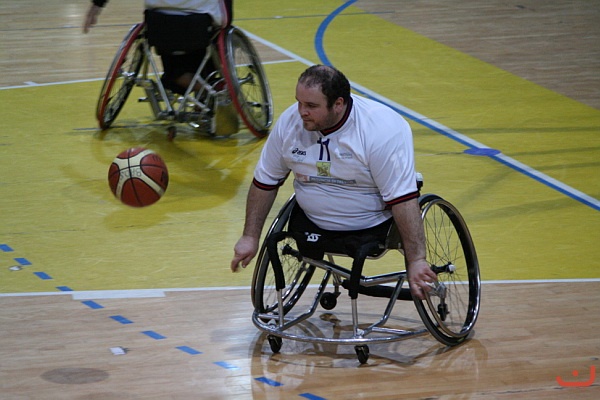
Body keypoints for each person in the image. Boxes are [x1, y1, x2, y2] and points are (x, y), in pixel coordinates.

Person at [230, 65, 437, 300]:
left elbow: (403, 199)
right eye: (299, 102)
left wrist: (416, 259)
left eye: (311, 106)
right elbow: (265, 182)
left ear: (338, 104)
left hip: (370, 226)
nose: (301, 112)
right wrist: (250, 237)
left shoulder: (381, 129)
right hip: (311, 224)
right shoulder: (290, 123)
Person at [83, 0, 232, 94]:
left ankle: (183, 78)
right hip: (200, 22)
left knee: (176, 61)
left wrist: (97, 5)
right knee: (218, 28)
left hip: (160, 22)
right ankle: (216, 88)